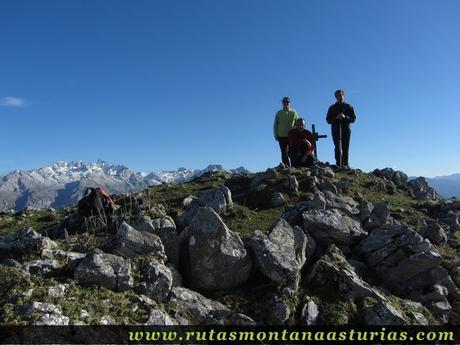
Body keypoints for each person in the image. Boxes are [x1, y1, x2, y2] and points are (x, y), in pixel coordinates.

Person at [326, 89, 356, 168]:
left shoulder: (349, 106)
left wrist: (345, 117)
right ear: (335, 97)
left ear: (344, 96)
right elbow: (328, 120)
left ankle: (345, 164)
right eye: (337, 96)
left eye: (341, 95)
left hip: (346, 130)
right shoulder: (332, 108)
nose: (339, 97)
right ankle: (339, 164)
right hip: (336, 130)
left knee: (345, 148)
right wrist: (336, 118)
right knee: (338, 147)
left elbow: (353, 119)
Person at [273, 97, 298, 167]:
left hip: (291, 135)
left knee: (292, 152)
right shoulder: (278, 113)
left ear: (290, 103)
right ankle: (286, 167)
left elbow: (297, 123)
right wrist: (275, 135)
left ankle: (294, 167)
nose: (286, 103)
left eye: (287, 102)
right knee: (284, 152)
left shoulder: (294, 112)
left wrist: (297, 134)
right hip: (281, 135)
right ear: (282, 103)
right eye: (284, 102)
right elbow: (275, 124)